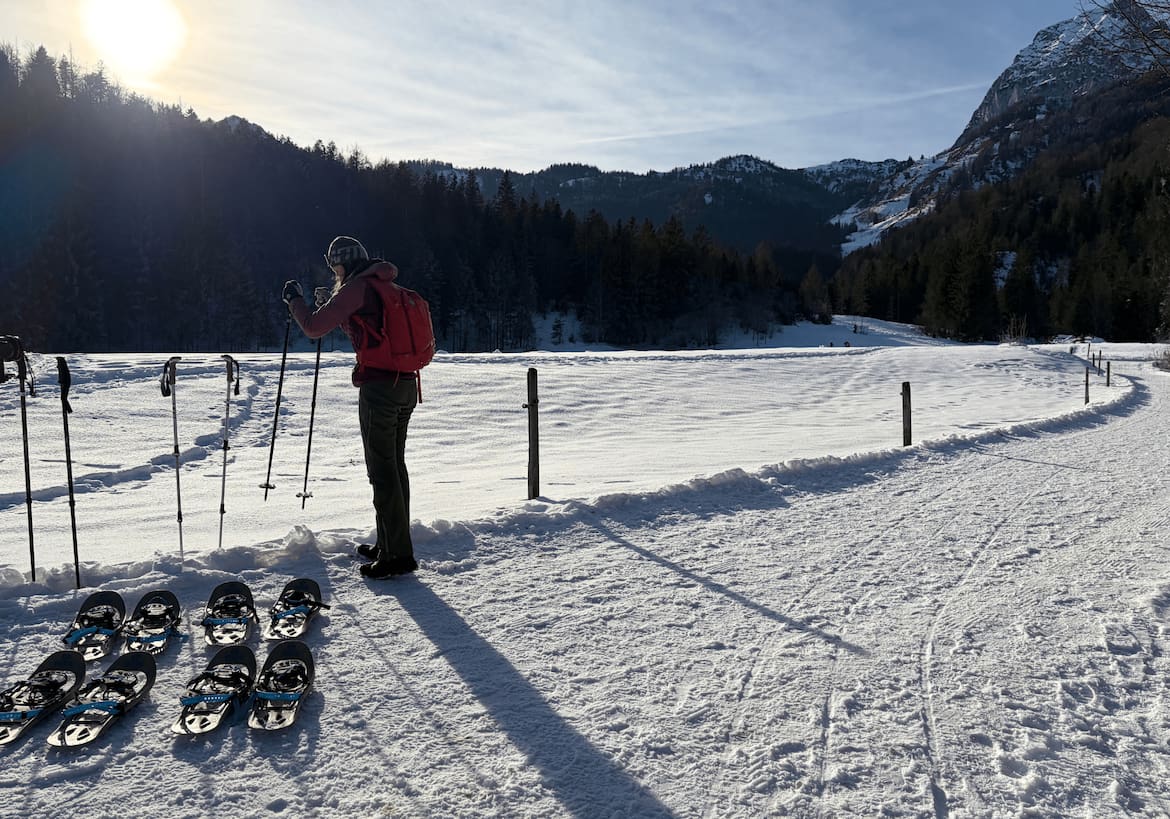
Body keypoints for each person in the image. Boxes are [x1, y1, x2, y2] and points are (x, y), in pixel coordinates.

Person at [282, 236, 418, 579]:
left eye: (334, 267)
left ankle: (397, 556)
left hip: (380, 389)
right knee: (394, 466)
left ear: (341, 263)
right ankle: (390, 542)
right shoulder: (384, 284)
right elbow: (366, 326)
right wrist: (331, 302)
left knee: (381, 470)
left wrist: (295, 301)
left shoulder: (356, 288)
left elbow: (313, 328)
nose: (334, 272)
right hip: (406, 384)